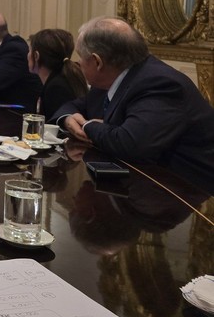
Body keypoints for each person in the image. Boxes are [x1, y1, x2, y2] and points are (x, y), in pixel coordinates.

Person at [55, 16, 214, 192]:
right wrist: (68, 119)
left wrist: (87, 125)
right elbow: (74, 106)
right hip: (140, 185)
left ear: (97, 62)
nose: (78, 64)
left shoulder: (160, 84)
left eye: (80, 57)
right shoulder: (113, 79)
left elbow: (131, 144)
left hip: (187, 193)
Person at [28, 28, 88, 119]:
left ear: (36, 56)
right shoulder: (62, 79)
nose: (27, 55)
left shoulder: (56, 88)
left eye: (29, 50)